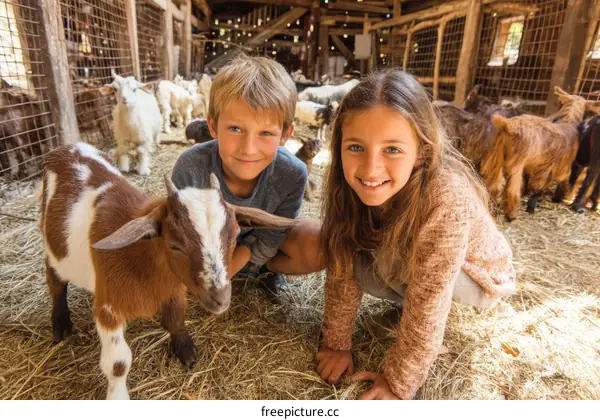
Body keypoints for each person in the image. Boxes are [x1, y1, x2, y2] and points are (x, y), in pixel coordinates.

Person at [267, 69, 516, 399]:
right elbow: (342, 266)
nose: (370, 169)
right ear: (339, 146)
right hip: (418, 269)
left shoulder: (446, 197)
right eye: (355, 147)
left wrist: (398, 384)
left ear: (423, 151)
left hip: (478, 280)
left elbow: (429, 299)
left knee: (383, 259)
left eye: (393, 150)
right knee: (346, 248)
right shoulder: (347, 188)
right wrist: (336, 344)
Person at [172, 55, 308, 302]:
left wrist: (233, 267)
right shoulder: (190, 167)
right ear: (212, 126)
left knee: (315, 239)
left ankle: (267, 273)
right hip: (207, 253)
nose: (248, 148)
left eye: (266, 133)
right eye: (235, 129)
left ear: (286, 134)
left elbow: (275, 233)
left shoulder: (293, 174)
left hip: (260, 252)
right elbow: (181, 233)